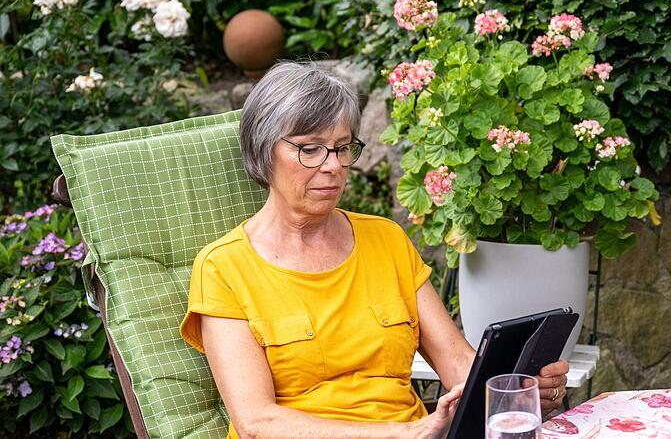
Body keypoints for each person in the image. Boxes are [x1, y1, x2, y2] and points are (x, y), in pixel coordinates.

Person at [179, 62, 569, 439]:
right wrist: (402, 434)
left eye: (343, 148)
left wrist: (515, 390)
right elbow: (257, 423)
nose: (333, 166)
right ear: (263, 151)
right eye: (311, 149)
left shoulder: (386, 240)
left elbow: (456, 360)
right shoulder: (223, 267)